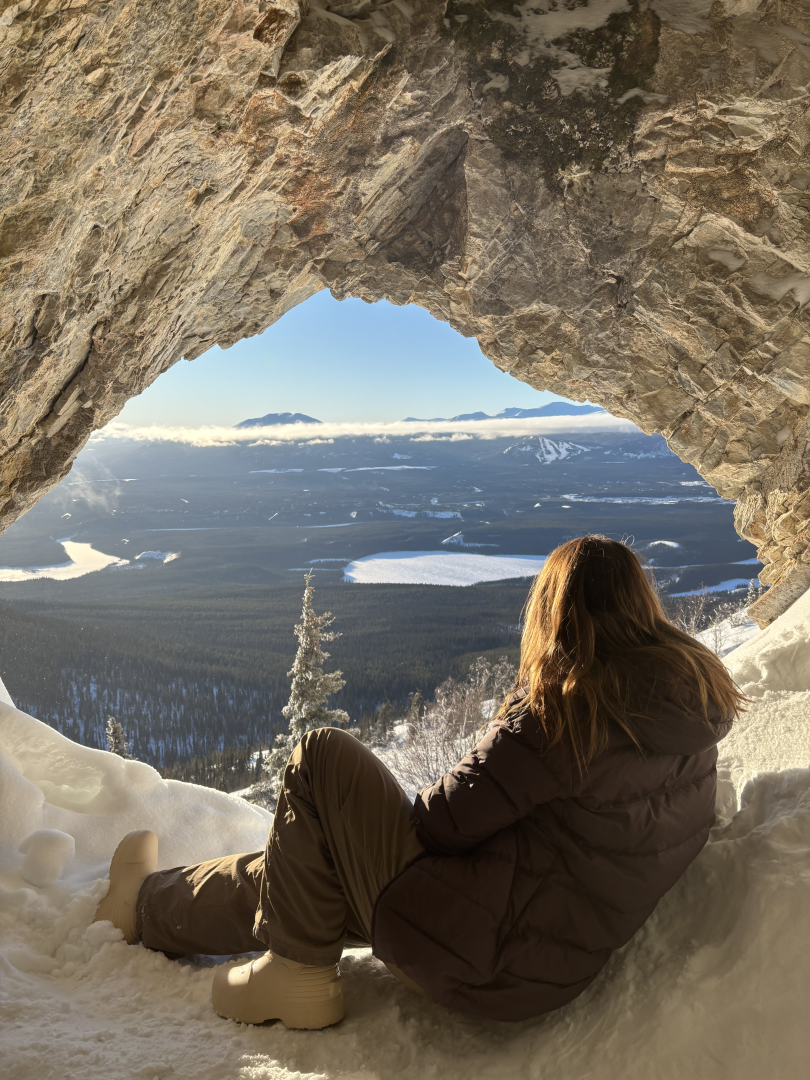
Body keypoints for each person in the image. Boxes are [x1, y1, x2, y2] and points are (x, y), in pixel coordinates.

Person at [95, 535, 744, 1028]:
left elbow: (441, 822)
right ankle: (146, 906)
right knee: (309, 874)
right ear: (641, 606)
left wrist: (510, 720)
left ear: (557, 614)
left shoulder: (568, 708)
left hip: (487, 954)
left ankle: (295, 973)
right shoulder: (690, 709)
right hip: (543, 954)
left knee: (322, 756)